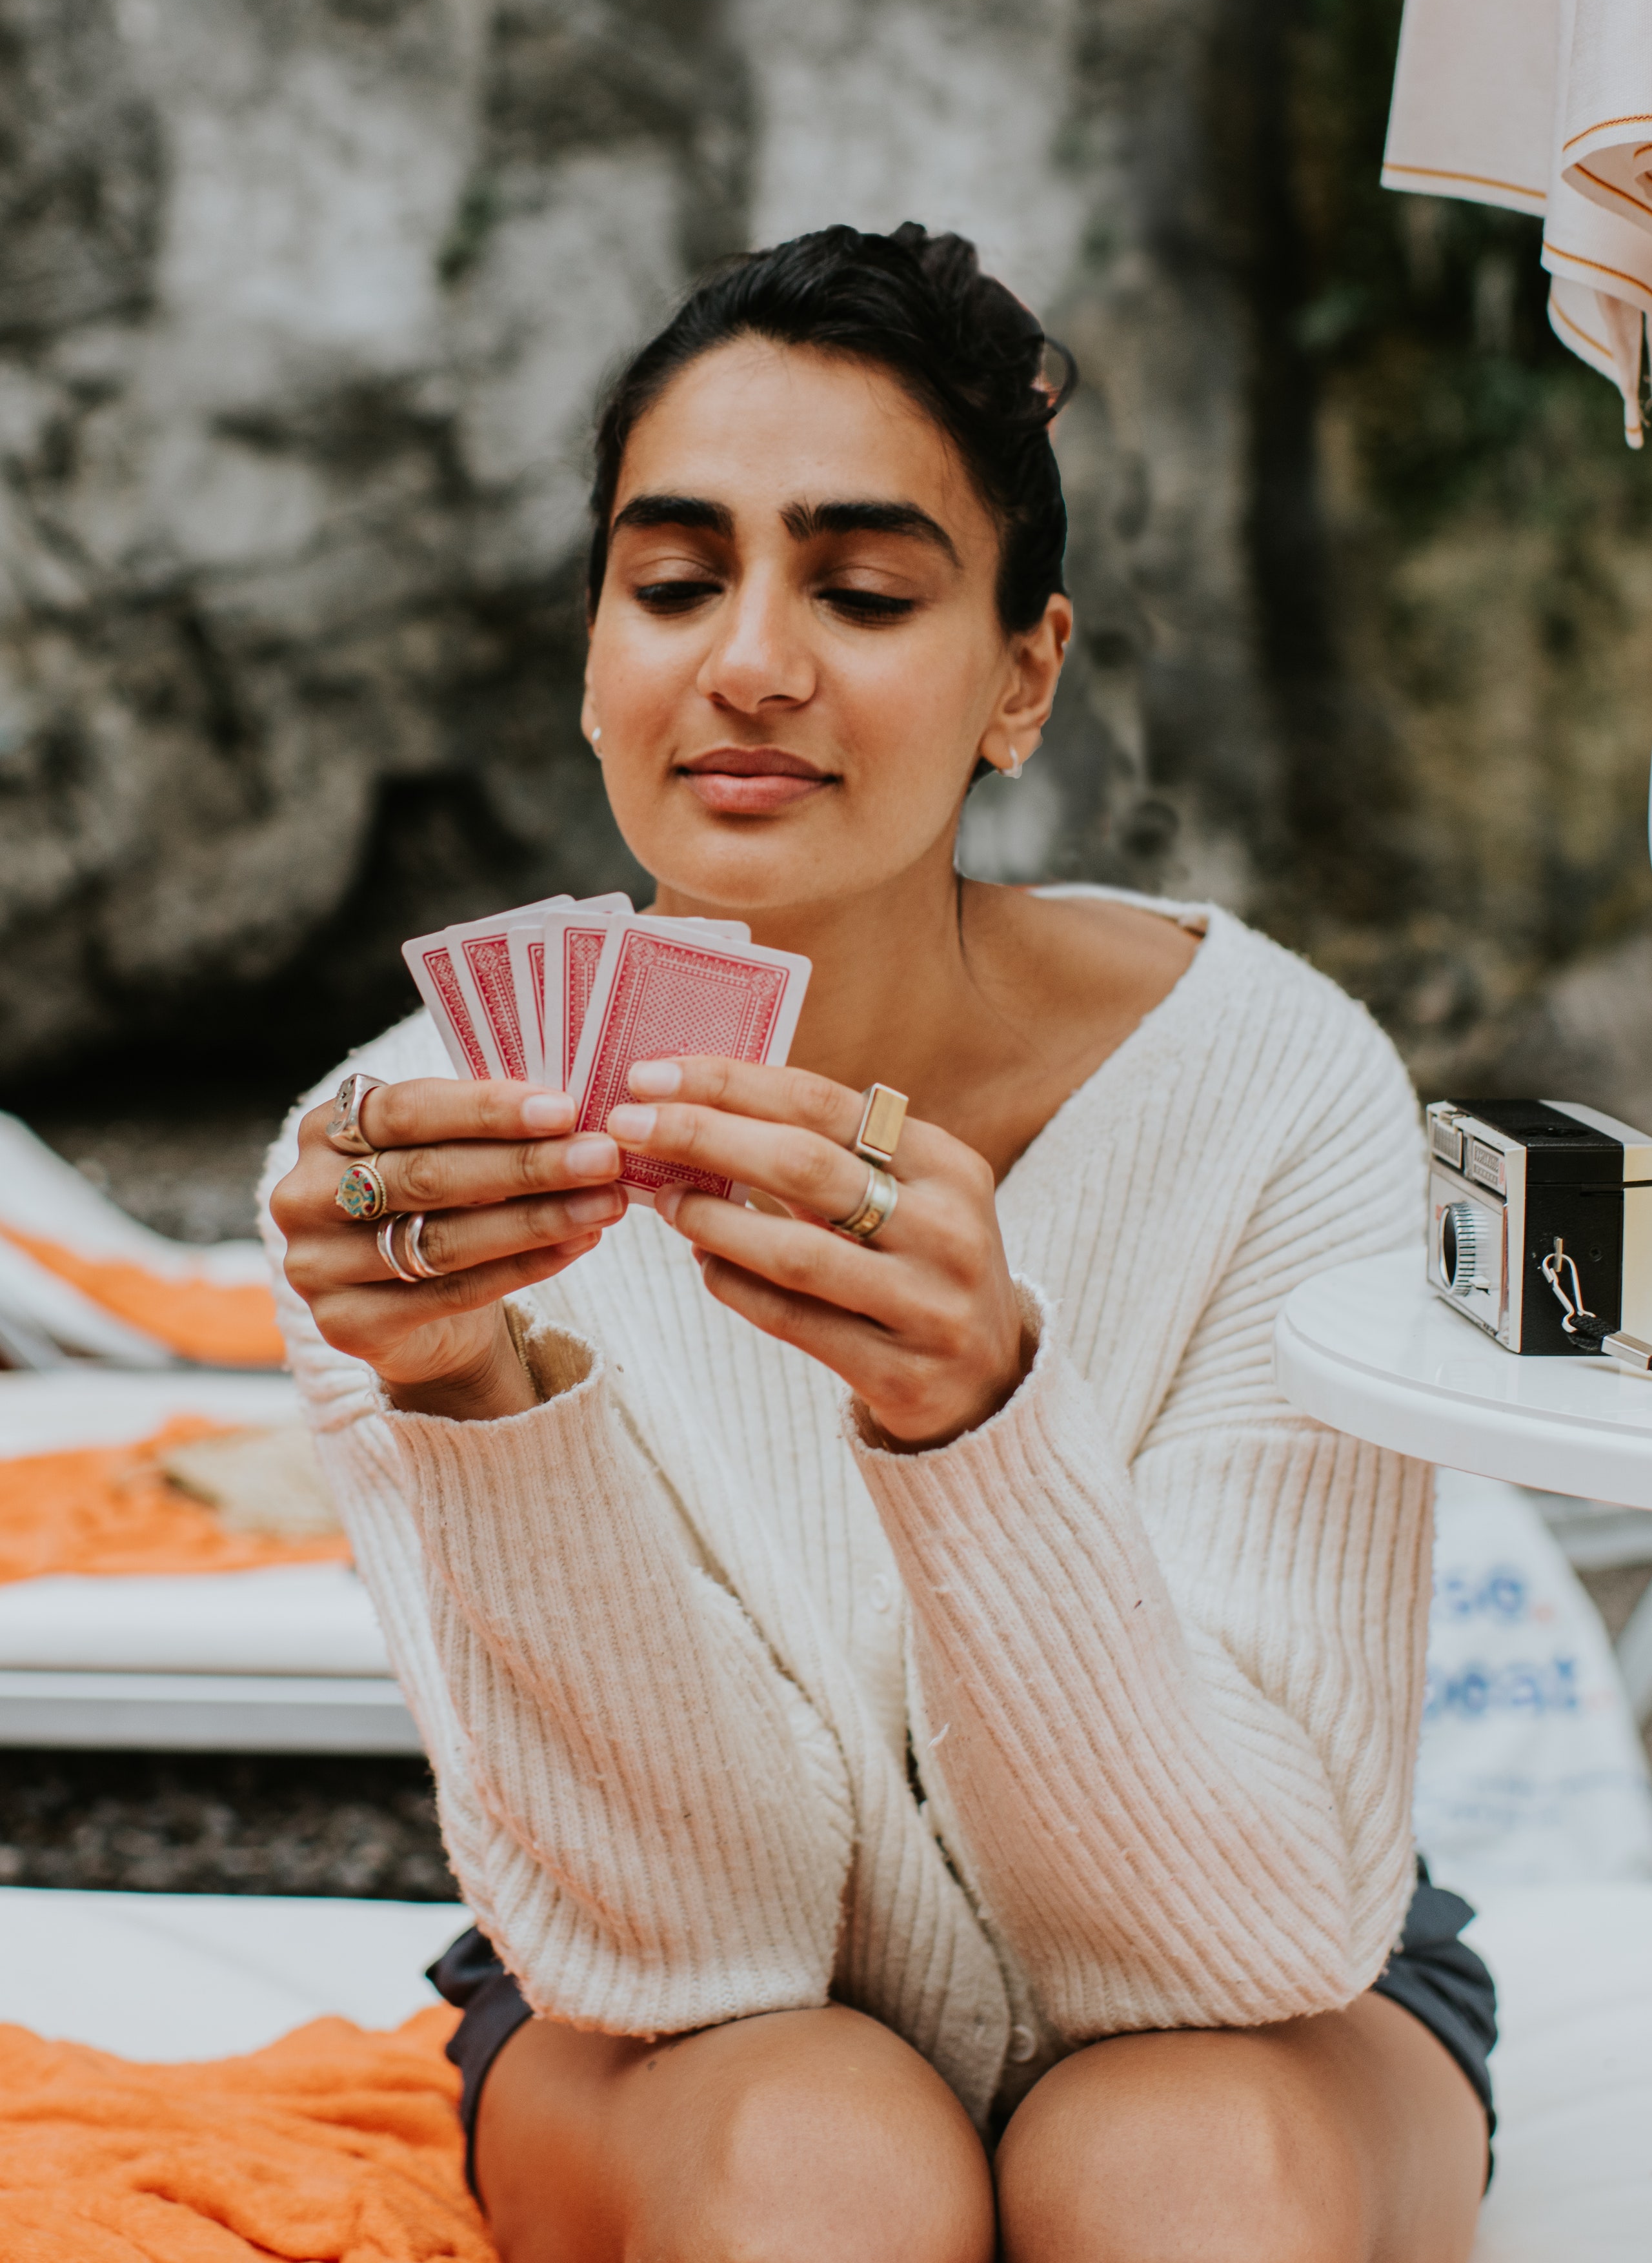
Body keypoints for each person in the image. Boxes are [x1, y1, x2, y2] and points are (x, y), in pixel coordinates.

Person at [263, 224, 1495, 2263]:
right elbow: (697, 1939)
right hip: (658, 1988)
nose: (750, 659)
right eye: (672, 584)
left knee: (1188, 2163)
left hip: (1267, 1960)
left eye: (861, 587)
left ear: (1025, 672)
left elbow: (1233, 1928)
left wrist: (975, 1417)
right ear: (594, 663)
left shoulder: (1278, 1088)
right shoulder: (402, 1174)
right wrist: (469, 1397)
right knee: (822, 2159)